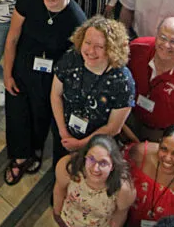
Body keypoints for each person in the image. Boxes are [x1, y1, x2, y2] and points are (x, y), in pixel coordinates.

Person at [2, 0, 86, 185]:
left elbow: (75, 62)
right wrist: (7, 73)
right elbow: (12, 38)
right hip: (23, 67)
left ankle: (36, 149)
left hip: (51, 79)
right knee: (17, 112)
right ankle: (20, 155)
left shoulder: (77, 20)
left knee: (40, 116)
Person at [50, 16, 135, 164]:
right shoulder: (72, 57)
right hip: (64, 132)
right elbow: (55, 95)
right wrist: (63, 133)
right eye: (87, 43)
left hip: (97, 145)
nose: (90, 51)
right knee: (61, 166)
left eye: (99, 46)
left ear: (112, 48)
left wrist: (80, 144)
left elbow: (114, 127)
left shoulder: (122, 81)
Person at [53, 135, 136, 227]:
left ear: (113, 166)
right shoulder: (69, 167)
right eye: (91, 159)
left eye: (103, 163)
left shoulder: (122, 188)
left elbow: (120, 213)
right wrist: (57, 213)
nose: (95, 168)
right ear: (84, 156)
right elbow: (59, 189)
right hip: (70, 219)